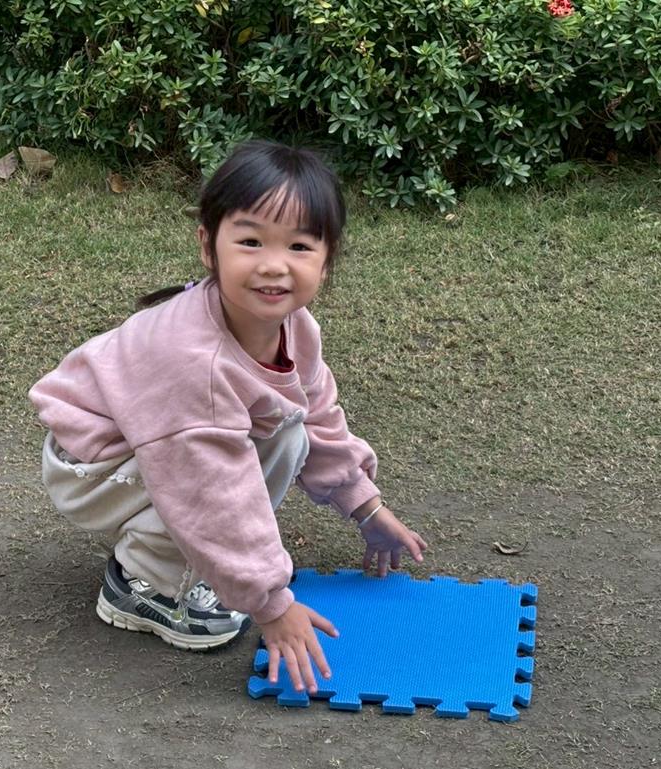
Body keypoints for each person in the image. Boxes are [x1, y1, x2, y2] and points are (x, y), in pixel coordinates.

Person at [29, 140, 428, 695]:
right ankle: (144, 584)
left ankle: (173, 562)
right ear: (208, 246)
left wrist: (366, 506)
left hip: (157, 443)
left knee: (288, 432)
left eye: (299, 246)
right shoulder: (195, 361)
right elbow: (210, 490)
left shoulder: (295, 327)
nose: (273, 265)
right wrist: (271, 605)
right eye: (250, 241)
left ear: (326, 259)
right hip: (93, 467)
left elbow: (318, 416)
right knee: (234, 464)